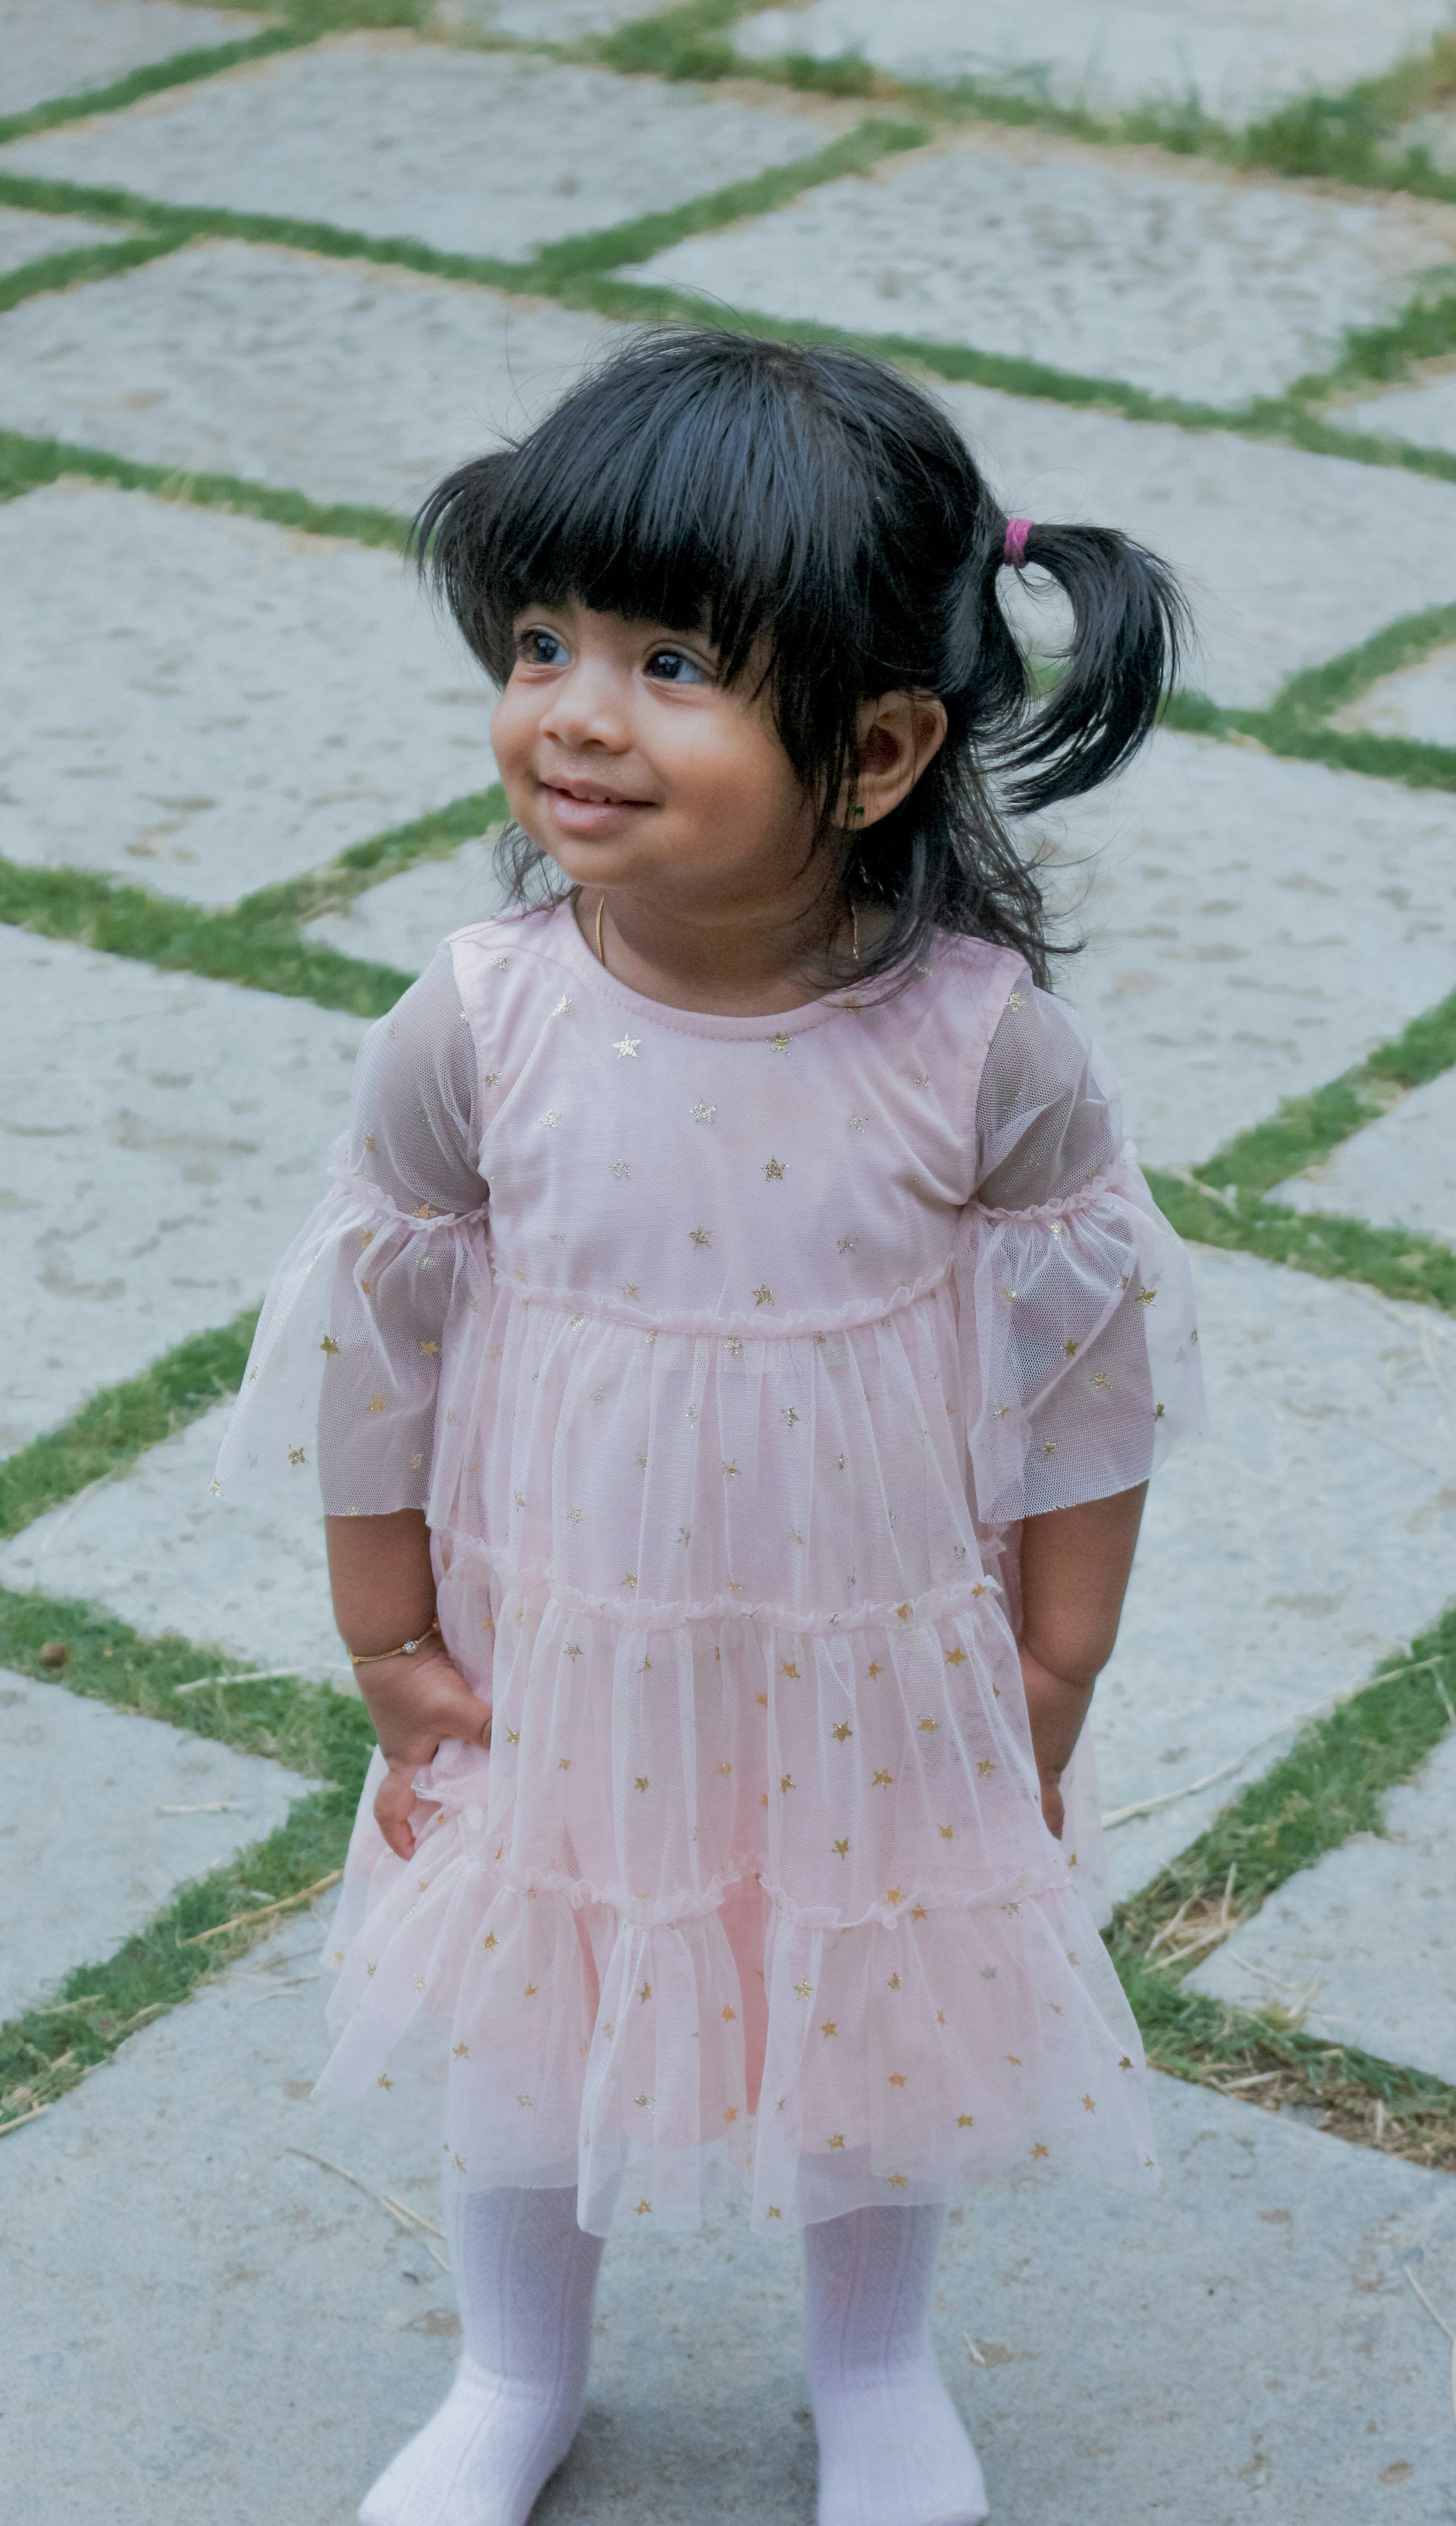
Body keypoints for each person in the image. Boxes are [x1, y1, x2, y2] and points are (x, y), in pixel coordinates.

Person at [217, 329, 1205, 2526]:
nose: (573, 709)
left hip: (876, 1638)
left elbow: (1090, 1363)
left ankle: (871, 2378)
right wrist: (387, 1643)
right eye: (547, 639)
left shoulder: (980, 1051)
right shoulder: (479, 1023)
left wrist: (1054, 1667)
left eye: (673, 662)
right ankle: (512, 2371)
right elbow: (373, 1342)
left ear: (874, 747)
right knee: (531, 1992)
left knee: (879, 1991)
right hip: (562, 1624)